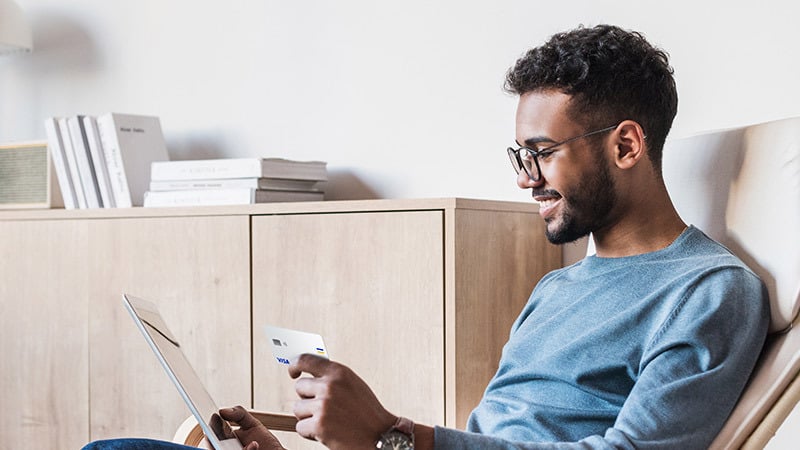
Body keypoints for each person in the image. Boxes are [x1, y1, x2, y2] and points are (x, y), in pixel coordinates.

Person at [83, 24, 769, 450]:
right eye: (519, 156)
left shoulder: (707, 292)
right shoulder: (559, 286)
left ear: (625, 145)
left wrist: (390, 436)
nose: (527, 180)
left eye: (541, 151)